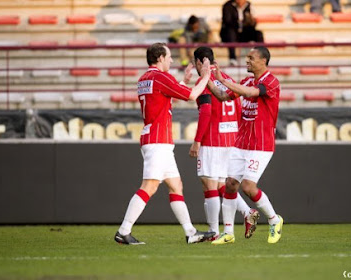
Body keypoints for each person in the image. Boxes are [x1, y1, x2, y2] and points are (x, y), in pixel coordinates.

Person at [114, 43, 215, 245]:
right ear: (160, 57)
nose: (171, 60)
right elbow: (192, 95)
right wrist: (205, 76)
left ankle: (190, 232)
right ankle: (123, 231)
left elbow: (164, 100)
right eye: (169, 57)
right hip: (157, 141)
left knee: (176, 185)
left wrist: (184, 81)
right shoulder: (160, 77)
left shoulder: (145, 79)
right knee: (150, 186)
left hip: (157, 139)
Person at [206, 46, 283, 245]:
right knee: (230, 185)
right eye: (247, 57)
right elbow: (223, 96)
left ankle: (274, 219)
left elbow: (250, 92)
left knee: (248, 187)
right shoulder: (246, 80)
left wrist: (223, 80)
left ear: (263, 61)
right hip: (241, 143)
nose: (247, 60)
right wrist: (207, 80)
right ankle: (229, 233)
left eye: (251, 58)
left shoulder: (271, 82)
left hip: (261, 145)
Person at [189, 46, 260, 240]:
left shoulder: (204, 81)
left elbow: (205, 112)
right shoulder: (226, 78)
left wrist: (197, 141)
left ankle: (213, 231)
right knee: (222, 184)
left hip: (212, 140)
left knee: (208, 184)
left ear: (198, 62)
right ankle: (247, 212)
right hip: (231, 139)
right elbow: (237, 106)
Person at [220, 0, 264, 66]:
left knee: (259, 34)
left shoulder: (249, 5)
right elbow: (227, 22)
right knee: (231, 32)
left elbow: (253, 24)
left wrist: (251, 22)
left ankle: (261, 57)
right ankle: (232, 58)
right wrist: (240, 23)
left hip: (244, 33)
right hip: (230, 33)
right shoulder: (227, 6)